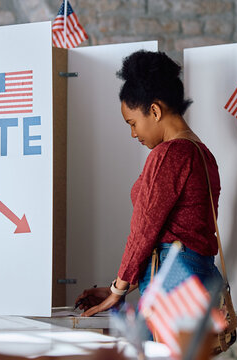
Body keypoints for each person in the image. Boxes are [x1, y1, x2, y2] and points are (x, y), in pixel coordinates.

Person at [75, 50, 223, 317]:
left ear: (154, 110)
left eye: (133, 123)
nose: (133, 133)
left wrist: (118, 291)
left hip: (173, 282)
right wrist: (118, 287)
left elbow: (144, 229)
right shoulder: (203, 153)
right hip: (197, 277)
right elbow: (180, 233)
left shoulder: (168, 154)